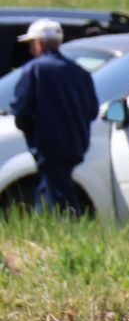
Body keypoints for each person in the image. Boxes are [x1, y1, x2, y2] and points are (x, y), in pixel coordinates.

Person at [10, 18, 100, 216]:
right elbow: (92, 110)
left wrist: (29, 130)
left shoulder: (35, 70)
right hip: (76, 145)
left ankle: (68, 227)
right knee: (50, 188)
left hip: (48, 147)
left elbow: (22, 109)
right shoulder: (80, 73)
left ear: (39, 44)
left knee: (58, 195)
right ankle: (46, 225)